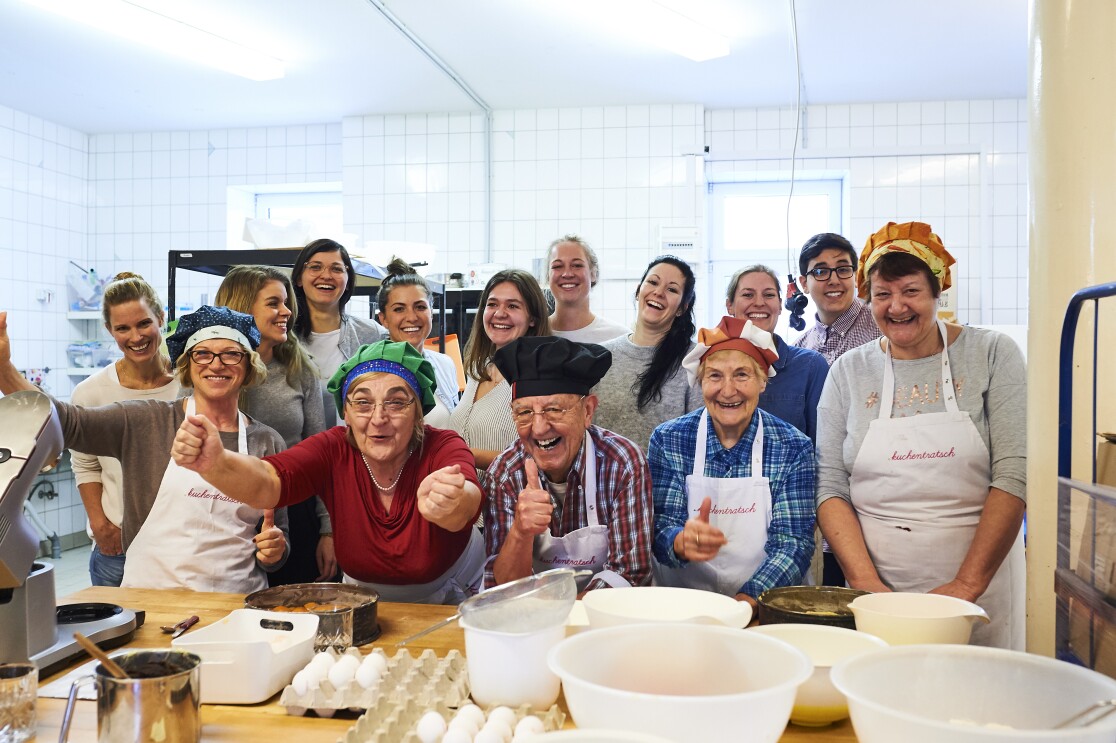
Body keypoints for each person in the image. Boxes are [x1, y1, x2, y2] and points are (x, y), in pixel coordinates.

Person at [815, 221, 1026, 649]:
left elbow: (1015, 472)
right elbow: (830, 482)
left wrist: (966, 585)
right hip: (878, 590)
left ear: (937, 292)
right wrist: (866, 584)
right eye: (882, 294)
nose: (897, 307)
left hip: (980, 588)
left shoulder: (992, 353)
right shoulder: (848, 371)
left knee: (975, 688)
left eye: (911, 291)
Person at [171, 341, 486, 605]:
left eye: (396, 402)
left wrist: (451, 502)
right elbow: (268, 481)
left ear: (418, 411)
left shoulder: (442, 445)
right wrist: (216, 463)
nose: (378, 418)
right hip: (364, 596)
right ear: (345, 411)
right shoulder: (333, 448)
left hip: (450, 593)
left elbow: (468, 501)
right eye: (363, 403)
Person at [0, 306, 289, 592]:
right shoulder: (143, 421)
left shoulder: (267, 442)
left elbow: (278, 536)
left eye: (231, 354)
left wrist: (276, 551)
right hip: (150, 601)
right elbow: (65, 421)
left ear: (249, 366)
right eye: (202, 353)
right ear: (187, 365)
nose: (216, 364)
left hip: (237, 602)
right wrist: (4, 369)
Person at [650, 317, 816, 609]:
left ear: (762, 381)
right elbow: (661, 527)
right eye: (715, 376)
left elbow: (792, 544)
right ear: (700, 382)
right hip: (683, 608)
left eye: (741, 375)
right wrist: (679, 541)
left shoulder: (793, 447)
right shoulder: (669, 440)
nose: (727, 391)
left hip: (762, 608)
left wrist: (745, 603)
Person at [484, 336, 653, 591]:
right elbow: (505, 587)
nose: (539, 428)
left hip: (601, 613)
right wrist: (520, 531)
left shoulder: (623, 463)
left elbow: (631, 573)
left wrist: (566, 609)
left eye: (554, 409)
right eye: (525, 412)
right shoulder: (505, 473)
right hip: (533, 612)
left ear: (587, 411)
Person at [215, 265, 336, 585]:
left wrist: (328, 530)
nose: (287, 312)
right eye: (273, 303)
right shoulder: (209, 371)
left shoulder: (299, 369)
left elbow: (321, 456)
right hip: (223, 509)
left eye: (286, 303)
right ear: (242, 309)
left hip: (293, 509)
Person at [70, 272, 181, 587]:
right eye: (123, 328)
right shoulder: (91, 393)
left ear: (161, 319)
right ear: (110, 330)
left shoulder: (188, 384)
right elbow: (86, 465)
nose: (136, 337)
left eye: (144, 323)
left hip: (181, 544)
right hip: (118, 547)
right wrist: (101, 527)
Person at [594, 256, 702, 452]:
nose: (658, 292)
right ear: (638, 291)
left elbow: (699, 437)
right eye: (653, 282)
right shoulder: (600, 356)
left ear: (681, 308)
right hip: (605, 472)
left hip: (667, 473)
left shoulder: (693, 360)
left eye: (672, 289)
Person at [448, 269, 551, 469]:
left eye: (512, 306)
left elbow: (542, 457)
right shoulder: (478, 369)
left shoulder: (540, 377)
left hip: (512, 490)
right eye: (492, 304)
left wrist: (464, 455)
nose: (499, 313)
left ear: (532, 318)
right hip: (463, 488)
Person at [725, 265, 828, 440]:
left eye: (769, 295)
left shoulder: (810, 366)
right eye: (748, 295)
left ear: (780, 305)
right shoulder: (711, 364)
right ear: (730, 306)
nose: (759, 303)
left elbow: (822, 445)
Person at [290, 238, 385, 423]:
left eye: (336, 269)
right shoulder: (283, 336)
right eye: (315, 267)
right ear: (299, 278)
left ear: (348, 281)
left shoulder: (372, 335)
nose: (326, 275)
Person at [376, 257, 459, 427]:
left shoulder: (445, 364)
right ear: (383, 319)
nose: (412, 317)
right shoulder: (370, 371)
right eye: (399, 309)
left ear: (431, 312)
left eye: (420, 307)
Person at [793, 233, 881, 364]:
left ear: (856, 277)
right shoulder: (799, 350)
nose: (834, 281)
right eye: (821, 272)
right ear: (804, 284)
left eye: (843, 270)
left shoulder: (882, 329)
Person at [544, 235, 628, 343]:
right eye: (557, 266)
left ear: (593, 274)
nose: (567, 274)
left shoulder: (619, 337)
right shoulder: (532, 335)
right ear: (548, 276)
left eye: (577, 265)